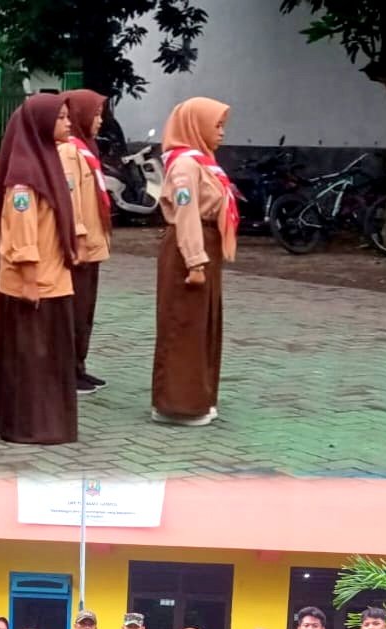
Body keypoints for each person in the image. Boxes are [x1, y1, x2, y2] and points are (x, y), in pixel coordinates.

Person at [0, 93, 80, 446]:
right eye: (61, 118)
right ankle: (31, 425)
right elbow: (21, 233)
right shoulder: (24, 177)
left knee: (48, 356)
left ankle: (41, 420)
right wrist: (28, 280)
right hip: (35, 283)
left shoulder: (48, 163)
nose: (68, 123)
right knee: (32, 358)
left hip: (54, 278)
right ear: (40, 124)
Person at [152, 97, 237, 426]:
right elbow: (186, 215)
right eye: (216, 125)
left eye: (222, 126)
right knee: (183, 325)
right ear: (195, 125)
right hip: (190, 249)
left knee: (202, 325)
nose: (222, 133)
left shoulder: (204, 162)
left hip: (205, 246)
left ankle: (198, 397)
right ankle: (177, 404)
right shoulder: (186, 166)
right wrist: (195, 262)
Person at [58, 89, 112, 393]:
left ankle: (79, 365)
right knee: (75, 311)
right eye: (96, 114)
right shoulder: (70, 151)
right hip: (81, 246)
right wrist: (77, 236)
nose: (100, 120)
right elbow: (71, 199)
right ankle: (68, 368)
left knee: (86, 310)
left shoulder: (87, 148)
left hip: (93, 244)